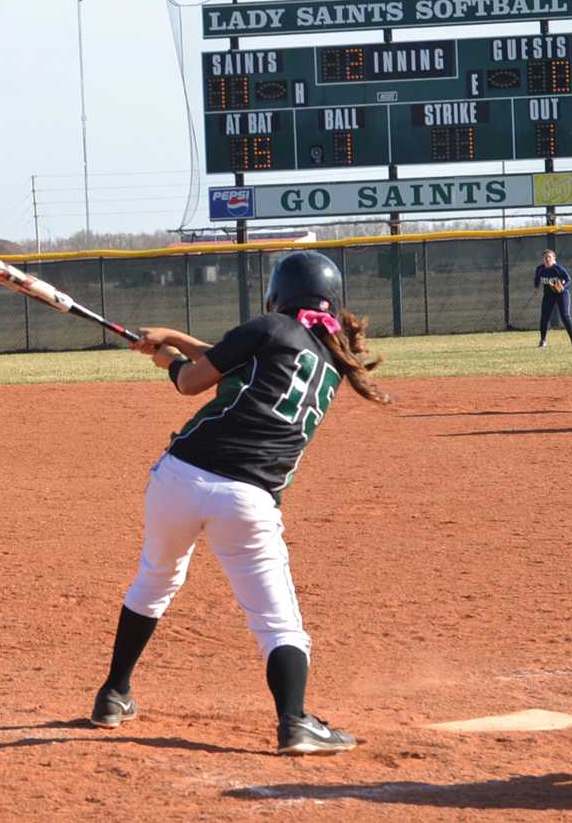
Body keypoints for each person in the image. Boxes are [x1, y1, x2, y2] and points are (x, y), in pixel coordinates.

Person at [89, 250, 390, 755]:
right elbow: (239, 361)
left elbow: (192, 381)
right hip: (247, 499)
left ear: (278, 296)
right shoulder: (332, 365)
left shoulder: (268, 327)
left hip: (179, 478)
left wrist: (174, 363)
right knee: (276, 620)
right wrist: (176, 339)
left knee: (156, 578)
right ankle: (294, 721)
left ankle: (113, 694)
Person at [533, 249, 572, 347]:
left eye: (549, 257)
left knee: (565, 315)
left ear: (554, 259)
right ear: (543, 259)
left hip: (562, 294)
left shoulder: (558, 268)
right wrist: (536, 287)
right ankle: (543, 340)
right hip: (548, 295)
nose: (547, 259)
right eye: (545, 257)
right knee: (544, 317)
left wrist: (563, 287)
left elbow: (568, 279)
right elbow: (537, 278)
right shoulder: (540, 269)